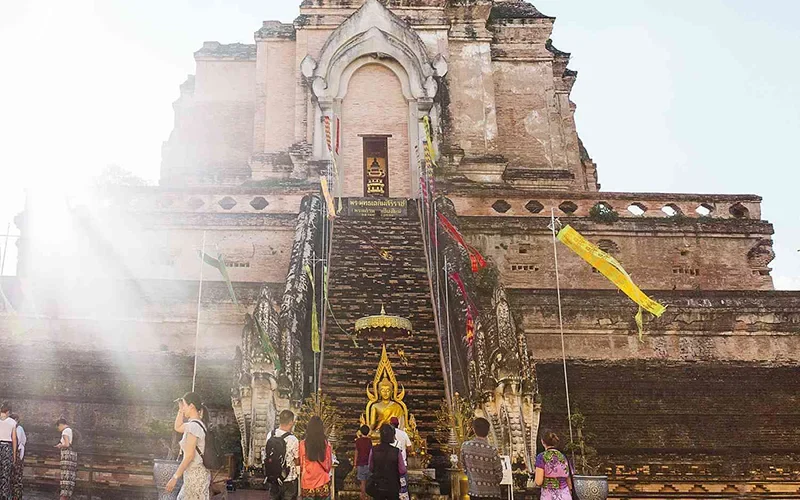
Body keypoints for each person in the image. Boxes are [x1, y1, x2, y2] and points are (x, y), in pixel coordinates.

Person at [165, 392, 211, 500]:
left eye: (184, 405)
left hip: (195, 477)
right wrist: (180, 410)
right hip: (195, 475)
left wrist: (174, 477)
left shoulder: (193, 426)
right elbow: (178, 427)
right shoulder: (197, 424)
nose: (183, 408)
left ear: (191, 406)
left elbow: (189, 456)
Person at [460, 418, 503, 500]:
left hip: (474, 491)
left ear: (474, 429)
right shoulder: (492, 451)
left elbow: (463, 466)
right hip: (491, 493)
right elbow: (499, 475)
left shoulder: (465, 447)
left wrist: (472, 478)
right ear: (488, 431)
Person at [264, 409, 299, 500]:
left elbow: (266, 453)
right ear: (291, 422)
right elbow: (296, 459)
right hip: (288, 478)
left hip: (273, 477)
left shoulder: (270, 435)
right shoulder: (293, 439)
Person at [368, 424, 406, 500]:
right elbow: (402, 470)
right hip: (393, 484)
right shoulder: (396, 451)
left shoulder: (374, 450)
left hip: (378, 484)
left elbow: (371, 468)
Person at [299, 416, 332, 500]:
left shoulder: (303, 444)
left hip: (307, 481)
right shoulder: (326, 444)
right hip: (322, 481)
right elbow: (328, 465)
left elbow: (302, 464)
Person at [534, 430, 573, 500]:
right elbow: (568, 478)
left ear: (543, 442)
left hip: (549, 496)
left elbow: (538, 481)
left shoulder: (541, 457)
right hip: (565, 495)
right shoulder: (563, 457)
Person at [389, 417, 411, 500]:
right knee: (403, 487)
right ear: (398, 424)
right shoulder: (404, 434)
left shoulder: (388, 435)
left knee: (391, 487)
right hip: (402, 465)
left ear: (390, 424)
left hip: (391, 466)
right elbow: (409, 447)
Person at [55, 417, 77, 500]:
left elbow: (67, 444)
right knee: (70, 477)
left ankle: (63, 496)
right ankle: (67, 495)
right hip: (72, 455)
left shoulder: (65, 431)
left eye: (58, 427)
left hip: (67, 455)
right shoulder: (70, 430)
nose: (58, 429)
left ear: (60, 425)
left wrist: (60, 445)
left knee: (65, 476)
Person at [0, 403, 17, 500]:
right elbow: (14, 438)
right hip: (7, 447)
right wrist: (14, 454)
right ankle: (4, 496)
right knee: (5, 474)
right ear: (8, 412)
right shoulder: (12, 422)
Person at [353, 425, 373, 500]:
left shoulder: (358, 441)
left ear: (360, 432)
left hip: (360, 463)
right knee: (368, 482)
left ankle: (363, 497)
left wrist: (355, 463)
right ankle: (367, 497)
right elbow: (371, 452)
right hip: (368, 463)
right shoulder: (369, 441)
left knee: (362, 483)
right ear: (368, 432)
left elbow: (356, 452)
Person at [9, 413, 25, 500]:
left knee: (17, 475)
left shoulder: (19, 429)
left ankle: (16, 496)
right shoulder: (9, 427)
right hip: (9, 452)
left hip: (17, 452)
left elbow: (21, 440)